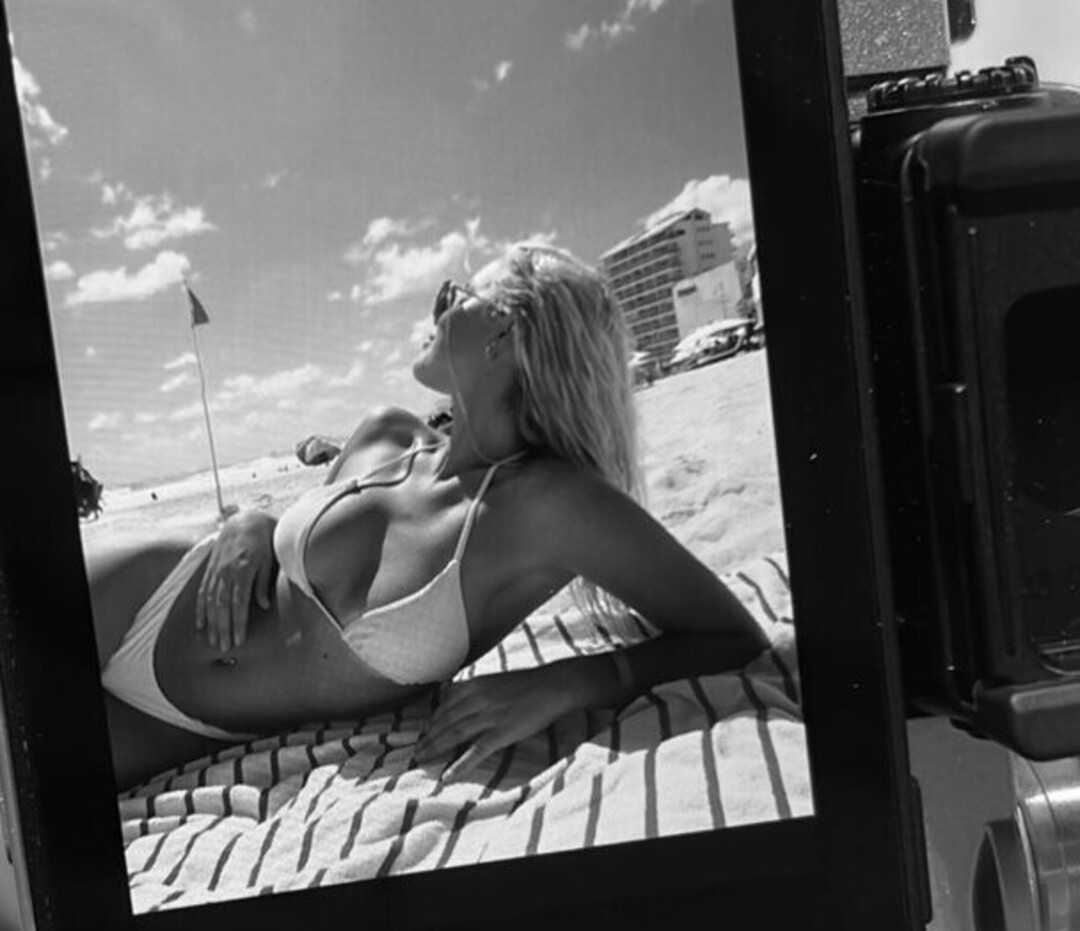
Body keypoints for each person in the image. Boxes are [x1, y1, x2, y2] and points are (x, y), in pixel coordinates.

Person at [89, 244, 767, 791]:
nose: (435, 308)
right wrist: (252, 521)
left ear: (507, 334)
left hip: (186, 727)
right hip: (148, 590)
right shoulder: (385, 434)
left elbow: (730, 634)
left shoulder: (547, 505)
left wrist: (569, 682)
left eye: (452, 295)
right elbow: (288, 546)